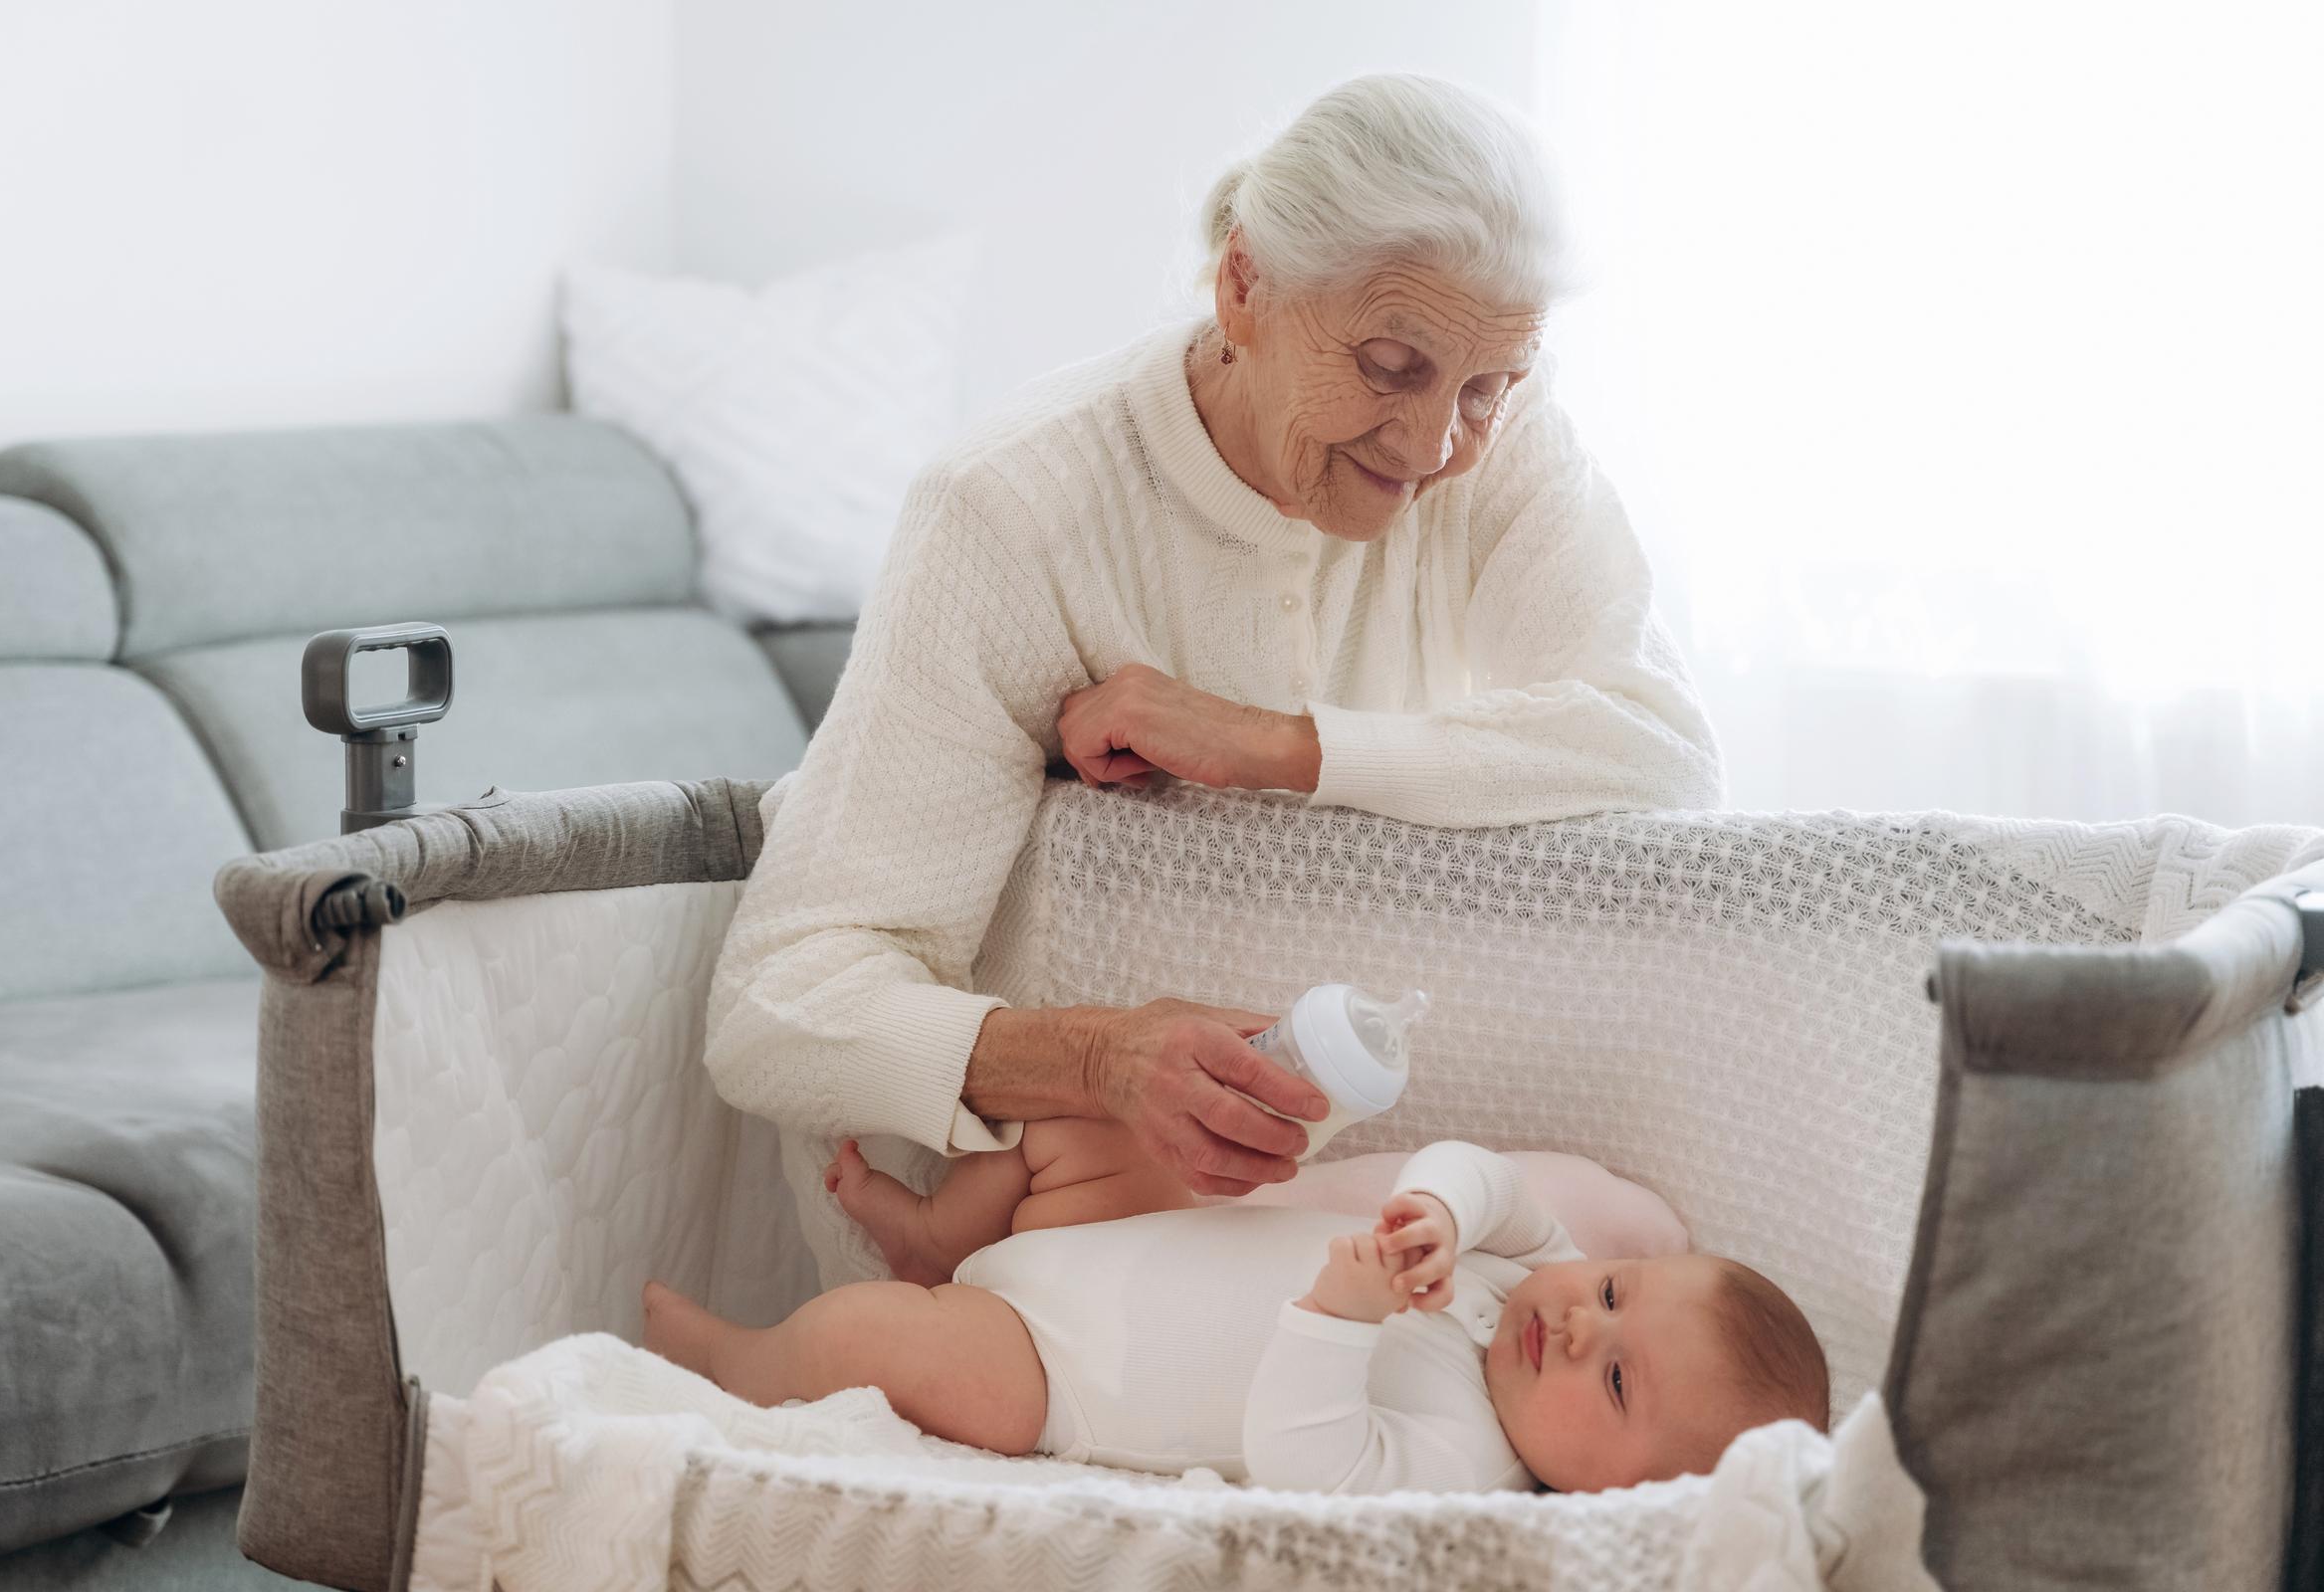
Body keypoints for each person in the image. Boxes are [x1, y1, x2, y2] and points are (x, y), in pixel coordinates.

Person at [703, 74, 1726, 1268]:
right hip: (1015, 1255)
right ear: (1246, 286)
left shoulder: (1495, 448)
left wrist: (1278, 743)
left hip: (1338, 1237)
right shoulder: (1014, 512)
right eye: (1392, 364)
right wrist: (1100, 1057)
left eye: (1490, 389)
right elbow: (776, 1002)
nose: (1435, 444)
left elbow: (1666, 755)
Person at [641, 1124, 1827, 1493]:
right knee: (1086, 1138)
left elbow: (1306, 1459)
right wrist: (1445, 1214)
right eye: (1615, 1295)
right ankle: (937, 1238)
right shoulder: (1529, 1277)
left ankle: (741, 1358)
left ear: (1616, 1498)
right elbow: (1488, 1171)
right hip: (1100, 1246)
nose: (1581, 1323)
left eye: (1616, 1380)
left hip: (1055, 1371)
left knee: (874, 1341)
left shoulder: (1468, 1470)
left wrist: (1343, 1315)